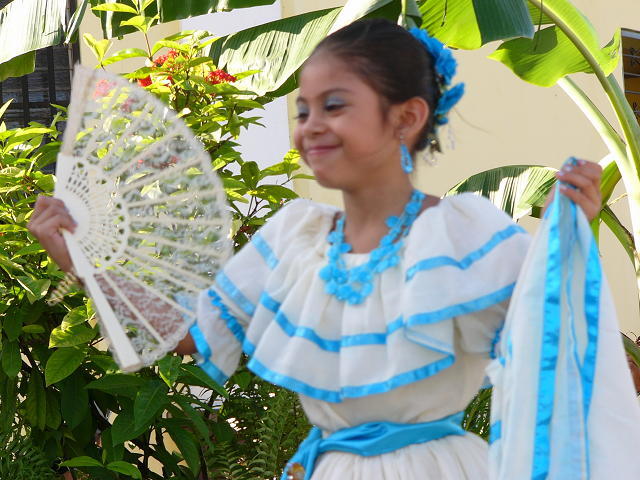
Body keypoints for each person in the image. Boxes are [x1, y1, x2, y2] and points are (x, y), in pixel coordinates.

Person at [28, 19, 603, 480]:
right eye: (302, 110)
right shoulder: (294, 236)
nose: (309, 128)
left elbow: (552, 347)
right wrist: (81, 261)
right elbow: (190, 332)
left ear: (407, 117)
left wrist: (566, 243)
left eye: (334, 106)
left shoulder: (462, 234)